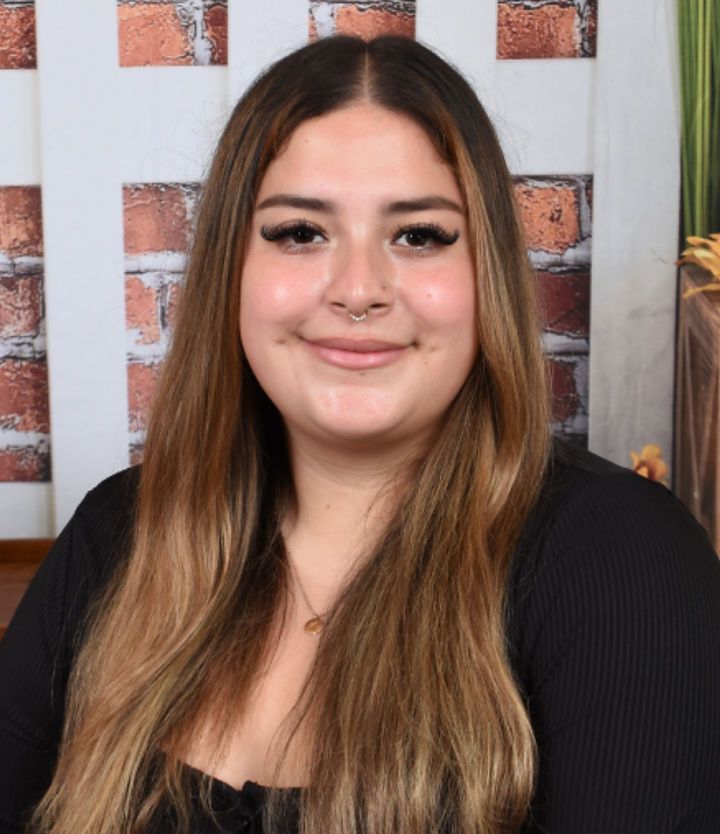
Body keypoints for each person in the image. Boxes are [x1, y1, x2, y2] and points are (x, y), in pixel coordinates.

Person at [1, 34, 719, 834]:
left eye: (419, 235)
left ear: (486, 274)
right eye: (300, 232)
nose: (358, 290)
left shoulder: (621, 561)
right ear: (230, 269)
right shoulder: (121, 533)